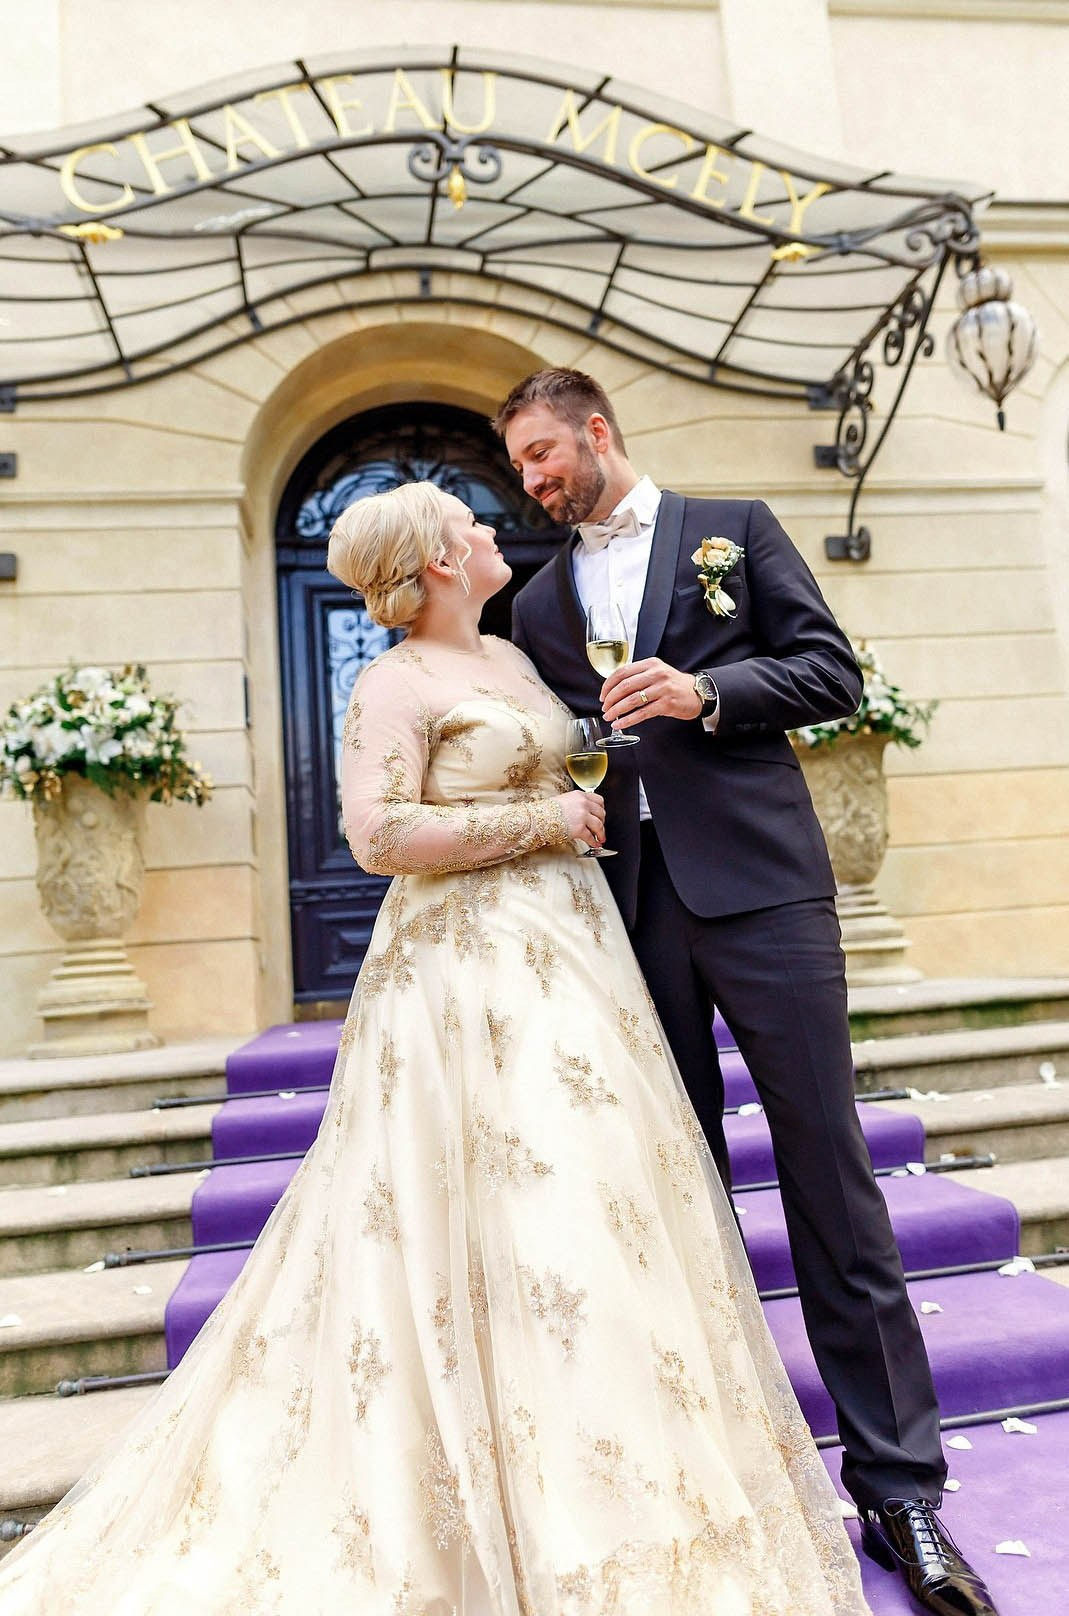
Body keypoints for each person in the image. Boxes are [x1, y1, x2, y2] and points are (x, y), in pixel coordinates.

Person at [0, 481, 869, 1616]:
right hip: (464, 976)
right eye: (464, 524)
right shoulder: (391, 681)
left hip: (578, 959)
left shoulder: (516, 660)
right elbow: (374, 833)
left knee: (590, 1209)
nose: (488, 528)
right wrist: (543, 822)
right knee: (490, 1208)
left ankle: (615, 1471)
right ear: (434, 560)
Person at [496, 368, 998, 1616]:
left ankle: (902, 1494)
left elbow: (832, 673)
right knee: (678, 1191)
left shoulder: (736, 527)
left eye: (545, 452)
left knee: (828, 1173)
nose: (535, 479)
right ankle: (727, 1472)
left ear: (598, 431)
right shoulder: (540, 598)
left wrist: (705, 692)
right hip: (630, 911)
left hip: (766, 896)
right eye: (519, 467)